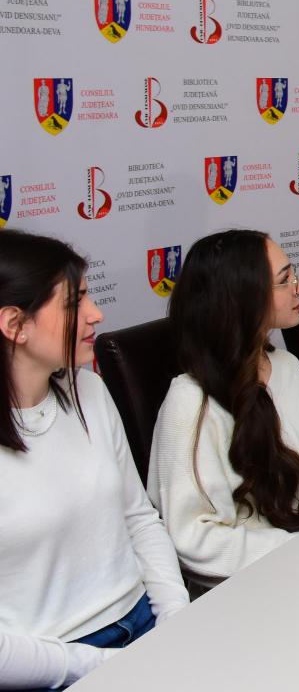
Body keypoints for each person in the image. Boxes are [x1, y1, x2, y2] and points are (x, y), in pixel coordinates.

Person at [0, 230, 189, 690]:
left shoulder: (89, 389)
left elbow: (139, 518)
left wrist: (177, 618)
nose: (96, 314)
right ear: (14, 324)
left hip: (145, 623)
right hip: (51, 667)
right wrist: (104, 665)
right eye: (74, 303)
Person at [148, 231, 299, 589]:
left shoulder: (287, 366)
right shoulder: (191, 402)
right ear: (243, 299)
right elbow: (194, 537)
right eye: (285, 280)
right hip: (266, 568)